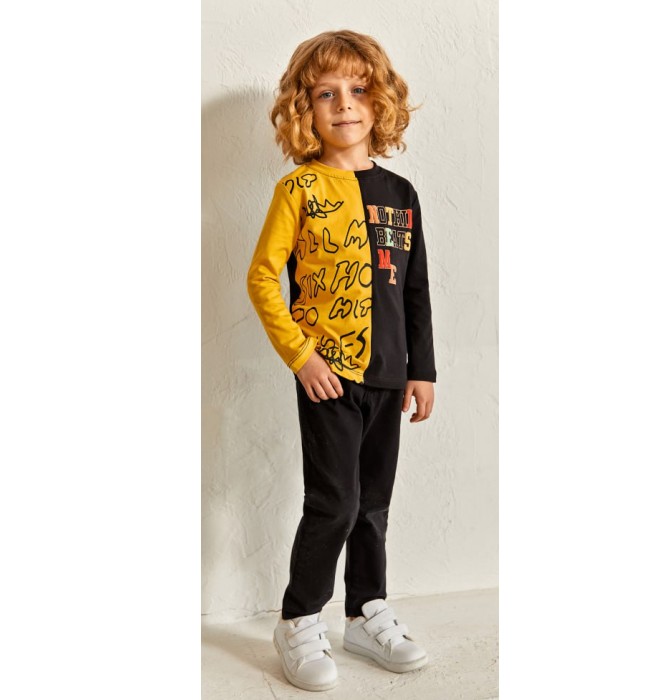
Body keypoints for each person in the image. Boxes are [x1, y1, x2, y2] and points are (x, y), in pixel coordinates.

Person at [247, 29, 437, 692]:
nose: (345, 104)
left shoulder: (400, 193)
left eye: (358, 89)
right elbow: (262, 277)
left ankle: (365, 611)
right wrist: (300, 357)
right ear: (305, 109)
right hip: (327, 376)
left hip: (388, 375)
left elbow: (415, 288)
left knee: (374, 504)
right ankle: (300, 618)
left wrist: (422, 369)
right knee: (334, 502)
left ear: (380, 101)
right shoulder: (299, 189)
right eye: (325, 94)